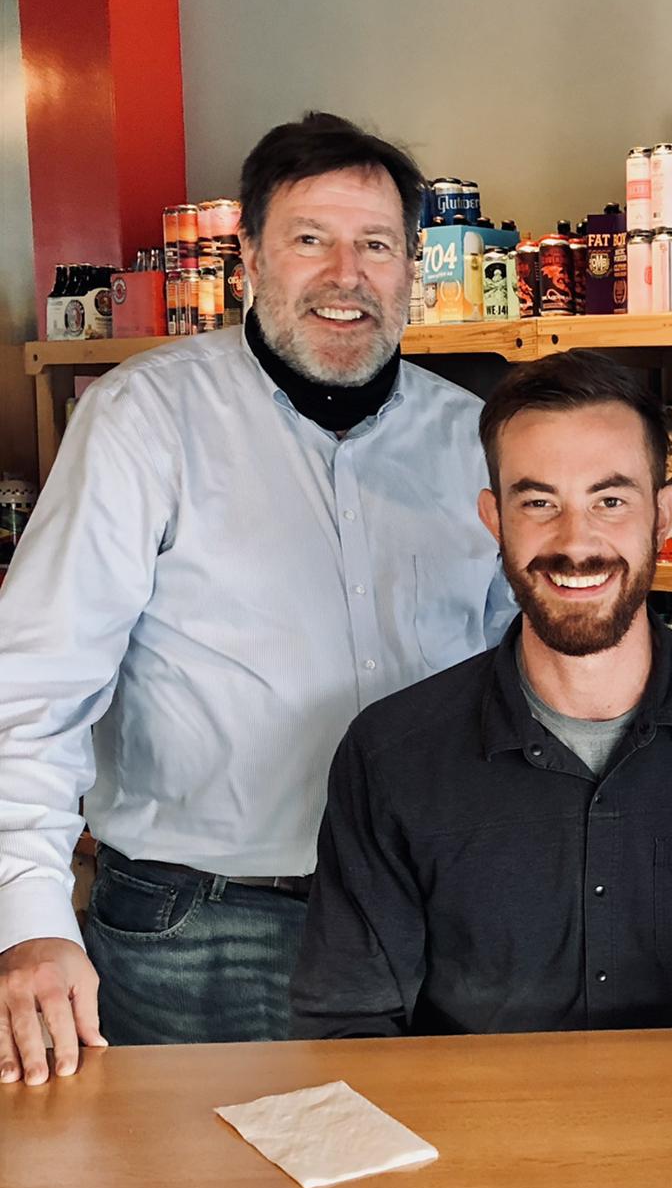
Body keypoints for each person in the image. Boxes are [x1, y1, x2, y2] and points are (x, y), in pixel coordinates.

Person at [0, 112, 513, 1082]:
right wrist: (27, 919)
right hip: (200, 924)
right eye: (310, 239)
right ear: (249, 259)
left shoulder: (472, 437)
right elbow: (32, 689)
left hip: (432, 913)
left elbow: (511, 675)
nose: (345, 274)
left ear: (414, 265)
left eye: (376, 245)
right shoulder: (140, 422)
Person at [291, 351, 672, 1038]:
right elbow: (350, 1027)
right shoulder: (390, 755)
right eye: (539, 503)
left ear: (666, 516)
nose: (576, 542)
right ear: (494, 520)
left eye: (610, 500)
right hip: (472, 1142)